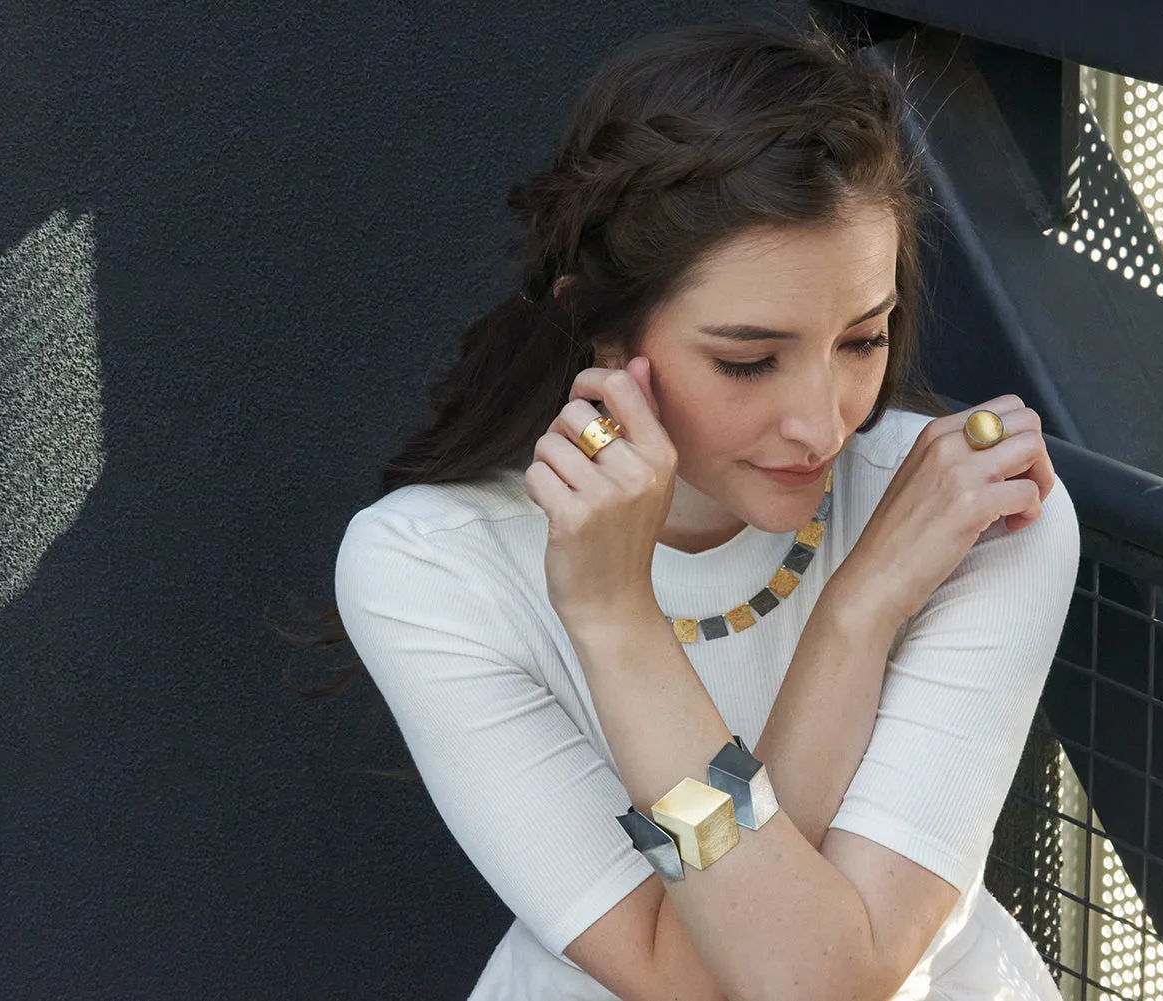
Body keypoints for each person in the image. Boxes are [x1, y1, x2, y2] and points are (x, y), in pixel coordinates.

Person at [331, 16, 1080, 1000]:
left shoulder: (970, 510)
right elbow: (693, 977)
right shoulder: (431, 567)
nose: (823, 422)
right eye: (747, 359)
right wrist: (622, 618)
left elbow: (828, 982)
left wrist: (864, 604)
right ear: (603, 336)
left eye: (863, 338)